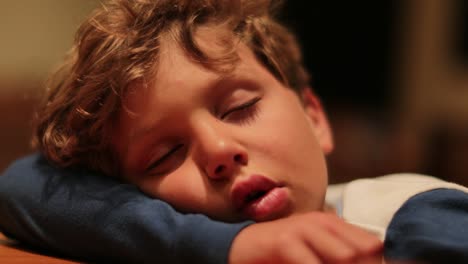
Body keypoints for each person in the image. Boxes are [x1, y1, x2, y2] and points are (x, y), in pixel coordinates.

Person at [1, 0, 468, 263]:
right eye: (164, 155)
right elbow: (23, 186)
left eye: (240, 108)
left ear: (315, 117)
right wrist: (233, 246)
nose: (220, 150)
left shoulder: (411, 214)